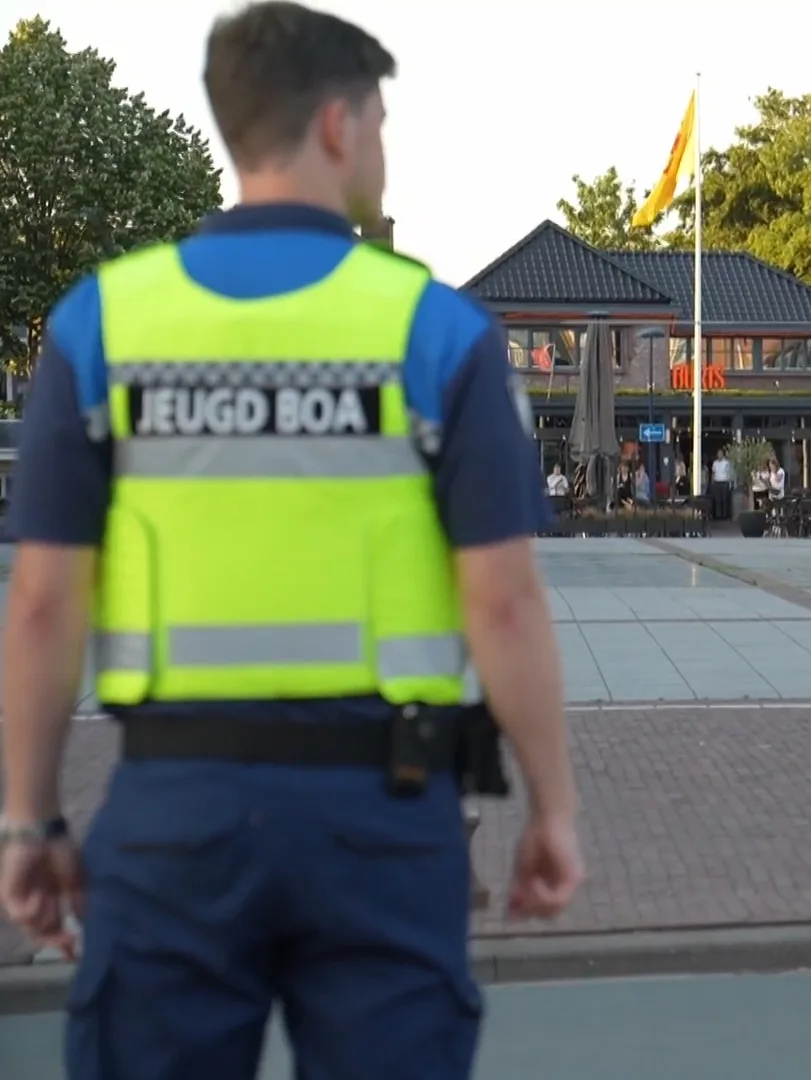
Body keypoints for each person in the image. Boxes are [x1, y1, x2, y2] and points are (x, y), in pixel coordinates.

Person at [0, 5, 584, 1078]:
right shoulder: (438, 333)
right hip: (383, 820)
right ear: (335, 126)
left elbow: (41, 603)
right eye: (380, 122)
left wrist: (27, 821)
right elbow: (503, 601)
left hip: (173, 815)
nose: (382, 147)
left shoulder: (102, 325)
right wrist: (553, 807)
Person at [708, 449, 733, 521]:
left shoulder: (726, 463)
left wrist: (730, 482)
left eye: (720, 454)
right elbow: (713, 473)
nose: (719, 455)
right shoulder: (715, 463)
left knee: (724, 500)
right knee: (717, 500)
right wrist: (712, 482)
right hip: (717, 482)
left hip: (724, 482)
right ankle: (718, 515)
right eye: (718, 454)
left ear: (723, 454)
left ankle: (725, 515)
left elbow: (729, 473)